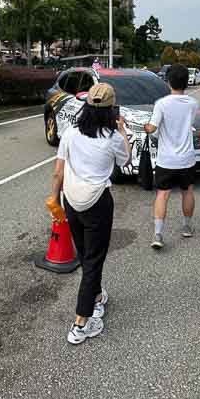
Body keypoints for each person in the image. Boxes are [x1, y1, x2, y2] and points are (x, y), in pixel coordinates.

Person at [49, 83, 130, 345]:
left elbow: (58, 172)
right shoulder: (112, 137)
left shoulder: (70, 133)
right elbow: (125, 161)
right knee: (94, 261)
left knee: (85, 255)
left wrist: (55, 201)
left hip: (71, 201)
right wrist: (123, 131)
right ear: (111, 110)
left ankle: (95, 296)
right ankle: (80, 323)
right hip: (97, 203)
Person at [144, 63, 199, 249]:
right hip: (187, 158)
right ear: (186, 82)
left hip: (166, 159)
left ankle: (158, 234)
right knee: (187, 191)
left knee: (163, 194)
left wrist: (145, 127)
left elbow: (152, 128)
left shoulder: (162, 103)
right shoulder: (193, 103)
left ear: (168, 82)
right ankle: (187, 227)